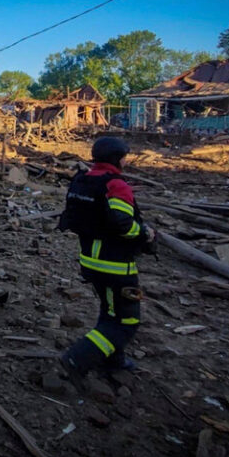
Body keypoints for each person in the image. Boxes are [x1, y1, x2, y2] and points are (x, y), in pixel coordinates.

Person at [57, 137, 155, 392]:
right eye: (124, 156)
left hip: (90, 260)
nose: (126, 161)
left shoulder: (84, 180)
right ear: (116, 158)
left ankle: (114, 360)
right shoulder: (115, 184)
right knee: (126, 322)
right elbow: (122, 224)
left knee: (109, 312)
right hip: (115, 266)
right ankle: (76, 358)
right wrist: (145, 233)